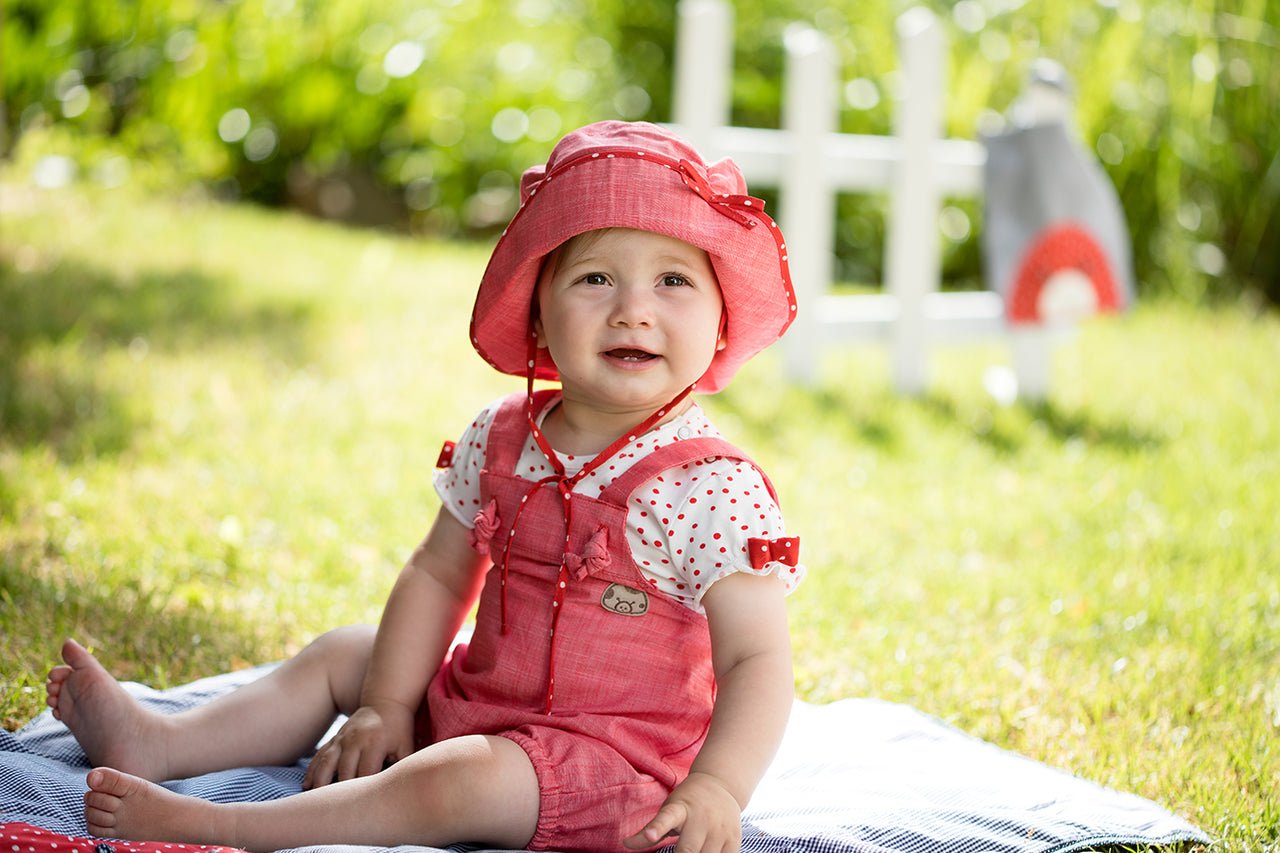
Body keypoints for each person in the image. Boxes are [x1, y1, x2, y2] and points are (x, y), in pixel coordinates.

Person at [45, 120, 804, 853]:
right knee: (348, 653)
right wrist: (386, 703)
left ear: (722, 321)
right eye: (595, 277)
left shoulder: (709, 488)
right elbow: (440, 574)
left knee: (457, 776)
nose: (633, 307)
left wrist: (716, 787)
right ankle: (163, 742)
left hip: (611, 767)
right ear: (538, 315)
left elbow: (755, 660)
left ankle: (237, 826)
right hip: (481, 703)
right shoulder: (504, 436)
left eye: (673, 280)